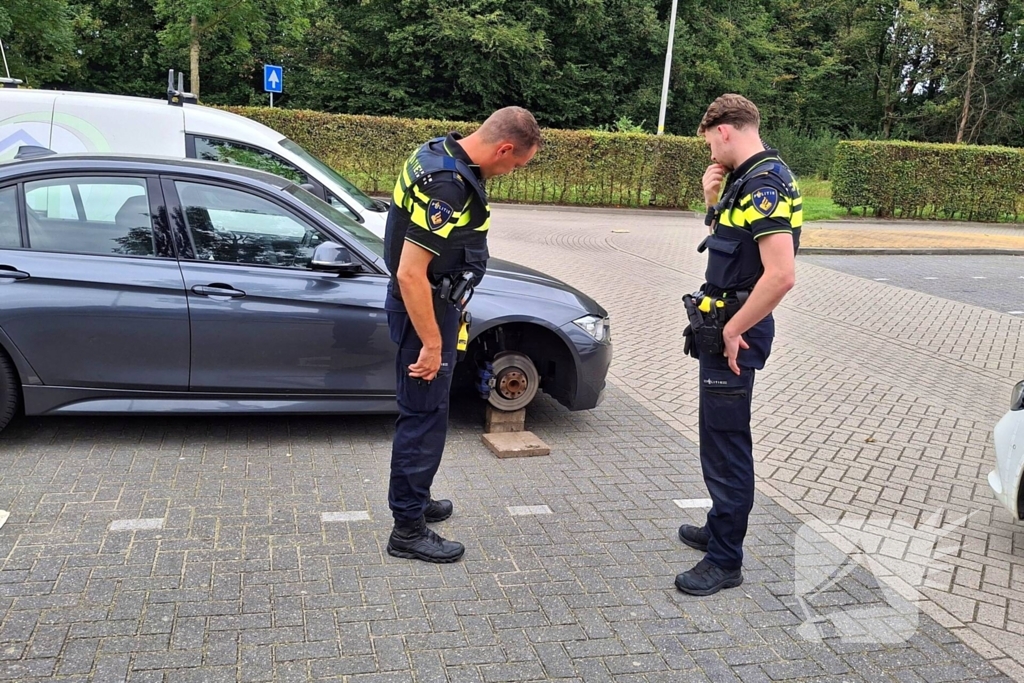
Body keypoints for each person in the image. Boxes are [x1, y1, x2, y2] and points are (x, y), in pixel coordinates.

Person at [384, 107, 541, 563]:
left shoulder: (438, 153)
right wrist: (432, 342)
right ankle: (407, 530)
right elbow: (411, 273)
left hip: (438, 304)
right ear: (505, 147)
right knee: (423, 416)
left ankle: (418, 500)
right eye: (515, 165)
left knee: (429, 412)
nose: (510, 173)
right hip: (425, 313)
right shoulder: (448, 185)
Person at [676, 94, 801, 595]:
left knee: (726, 444)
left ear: (724, 130)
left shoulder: (764, 184)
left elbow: (781, 275)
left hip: (737, 332)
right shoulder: (746, 179)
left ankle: (725, 559)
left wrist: (732, 330)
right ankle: (717, 526)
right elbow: (731, 246)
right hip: (724, 324)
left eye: (709, 142)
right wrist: (711, 201)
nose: (710, 152)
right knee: (716, 435)